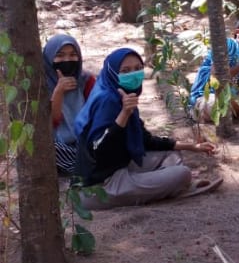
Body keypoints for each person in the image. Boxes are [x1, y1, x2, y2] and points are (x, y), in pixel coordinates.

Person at [74, 48, 218, 210]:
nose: (134, 74)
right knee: (182, 174)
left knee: (170, 154)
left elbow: (144, 139)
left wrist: (191, 146)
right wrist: (124, 113)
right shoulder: (108, 100)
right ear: (112, 72)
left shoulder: (118, 93)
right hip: (100, 186)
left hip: (120, 166)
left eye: (138, 69)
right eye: (125, 71)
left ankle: (169, 186)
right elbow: (99, 150)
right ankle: (173, 187)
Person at [188, 15, 239, 122]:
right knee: (219, 102)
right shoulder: (228, 44)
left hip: (232, 99)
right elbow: (216, 76)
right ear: (237, 32)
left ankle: (238, 110)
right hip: (208, 97)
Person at [43, 34, 96, 174]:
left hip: (85, 139)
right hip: (59, 144)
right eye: (60, 55)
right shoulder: (41, 86)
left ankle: (85, 164)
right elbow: (51, 121)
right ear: (49, 58)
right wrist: (58, 91)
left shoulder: (86, 80)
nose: (67, 60)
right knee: (48, 148)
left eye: (73, 54)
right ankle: (84, 166)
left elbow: (96, 112)